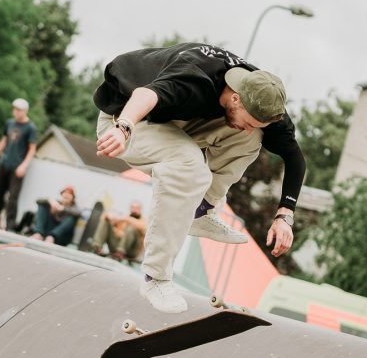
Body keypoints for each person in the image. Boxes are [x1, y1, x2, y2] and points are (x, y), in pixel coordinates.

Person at [93, 43, 305, 313]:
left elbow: (295, 158)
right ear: (236, 98)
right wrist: (122, 128)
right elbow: (146, 94)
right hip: (126, 116)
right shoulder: (195, 77)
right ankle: (155, 278)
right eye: (250, 122)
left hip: (169, 120)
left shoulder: (261, 98)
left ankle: (201, 211)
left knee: (250, 141)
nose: (250, 128)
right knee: (190, 165)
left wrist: (284, 216)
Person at [0, 98, 37, 231]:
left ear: (25, 111)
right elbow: (4, 141)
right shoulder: (9, 123)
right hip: (5, 163)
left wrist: (24, 165)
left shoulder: (30, 128)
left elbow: (32, 149)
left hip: (17, 166)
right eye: (15, 109)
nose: (16, 112)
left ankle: (10, 226)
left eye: (19, 110)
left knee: (13, 197)